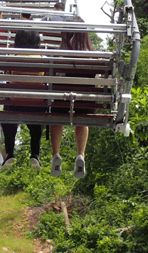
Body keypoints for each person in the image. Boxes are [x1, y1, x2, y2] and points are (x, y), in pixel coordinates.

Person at [50, 16, 93, 179]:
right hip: (85, 104)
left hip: (62, 103)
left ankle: (56, 154)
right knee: (82, 120)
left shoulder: (59, 53)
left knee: (57, 119)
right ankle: (80, 154)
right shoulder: (92, 55)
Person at [1, 30, 45, 170]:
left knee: (8, 119)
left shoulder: (12, 57)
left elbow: (7, 78)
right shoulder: (42, 58)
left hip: (15, 102)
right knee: (36, 125)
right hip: (36, 103)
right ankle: (35, 154)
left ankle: (9, 152)